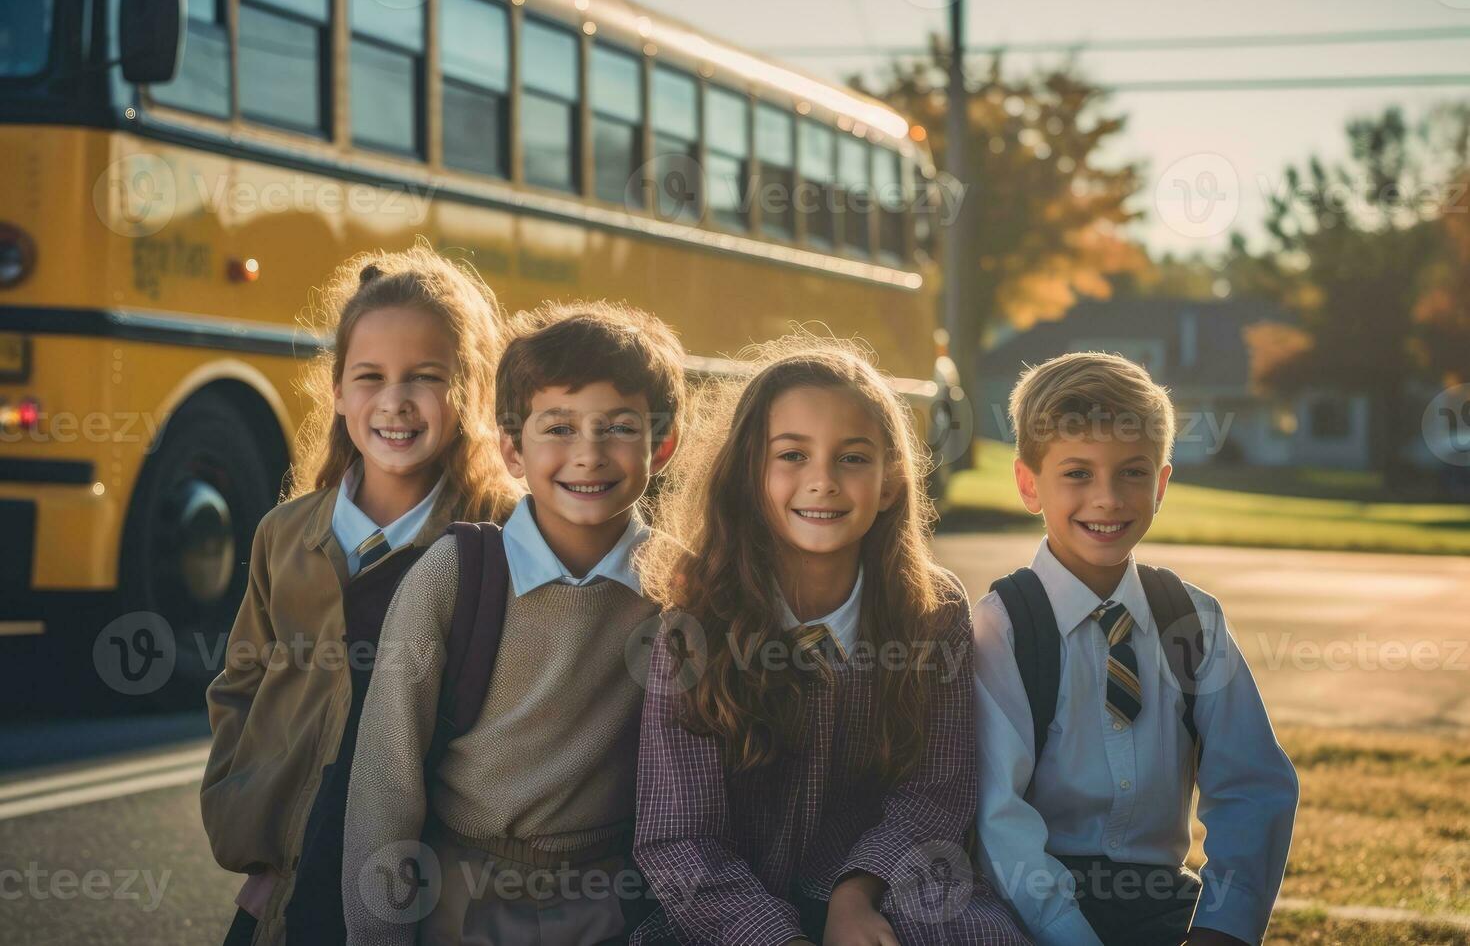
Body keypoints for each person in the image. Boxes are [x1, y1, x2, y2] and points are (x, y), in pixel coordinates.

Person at [632, 336, 1030, 946]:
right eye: (792, 455)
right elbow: (679, 838)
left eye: (852, 458)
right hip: (727, 911)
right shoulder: (695, 622)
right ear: (749, 475)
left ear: (891, 483)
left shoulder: (932, 610)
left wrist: (856, 893)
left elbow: (936, 790)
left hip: (885, 888)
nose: (823, 482)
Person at [199, 243, 520, 946]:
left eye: (425, 378)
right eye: (368, 376)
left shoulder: (500, 540)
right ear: (338, 391)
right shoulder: (284, 534)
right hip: (283, 889)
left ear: (468, 391)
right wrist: (258, 836)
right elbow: (241, 688)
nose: (394, 402)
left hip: (426, 895)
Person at [341, 301, 686, 946]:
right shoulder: (455, 575)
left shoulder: (680, 590)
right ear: (511, 449)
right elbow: (384, 790)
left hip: (615, 904)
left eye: (617, 427)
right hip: (461, 897)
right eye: (557, 427)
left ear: (660, 446)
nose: (588, 455)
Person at [972, 351, 1299, 946]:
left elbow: (1252, 785)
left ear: (1162, 483)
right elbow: (998, 816)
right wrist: (1067, 932)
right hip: (1031, 909)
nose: (1108, 498)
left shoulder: (1191, 621)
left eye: (1132, 472)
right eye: (1077, 473)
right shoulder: (1004, 627)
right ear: (1029, 484)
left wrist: (1223, 928)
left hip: (1162, 905)